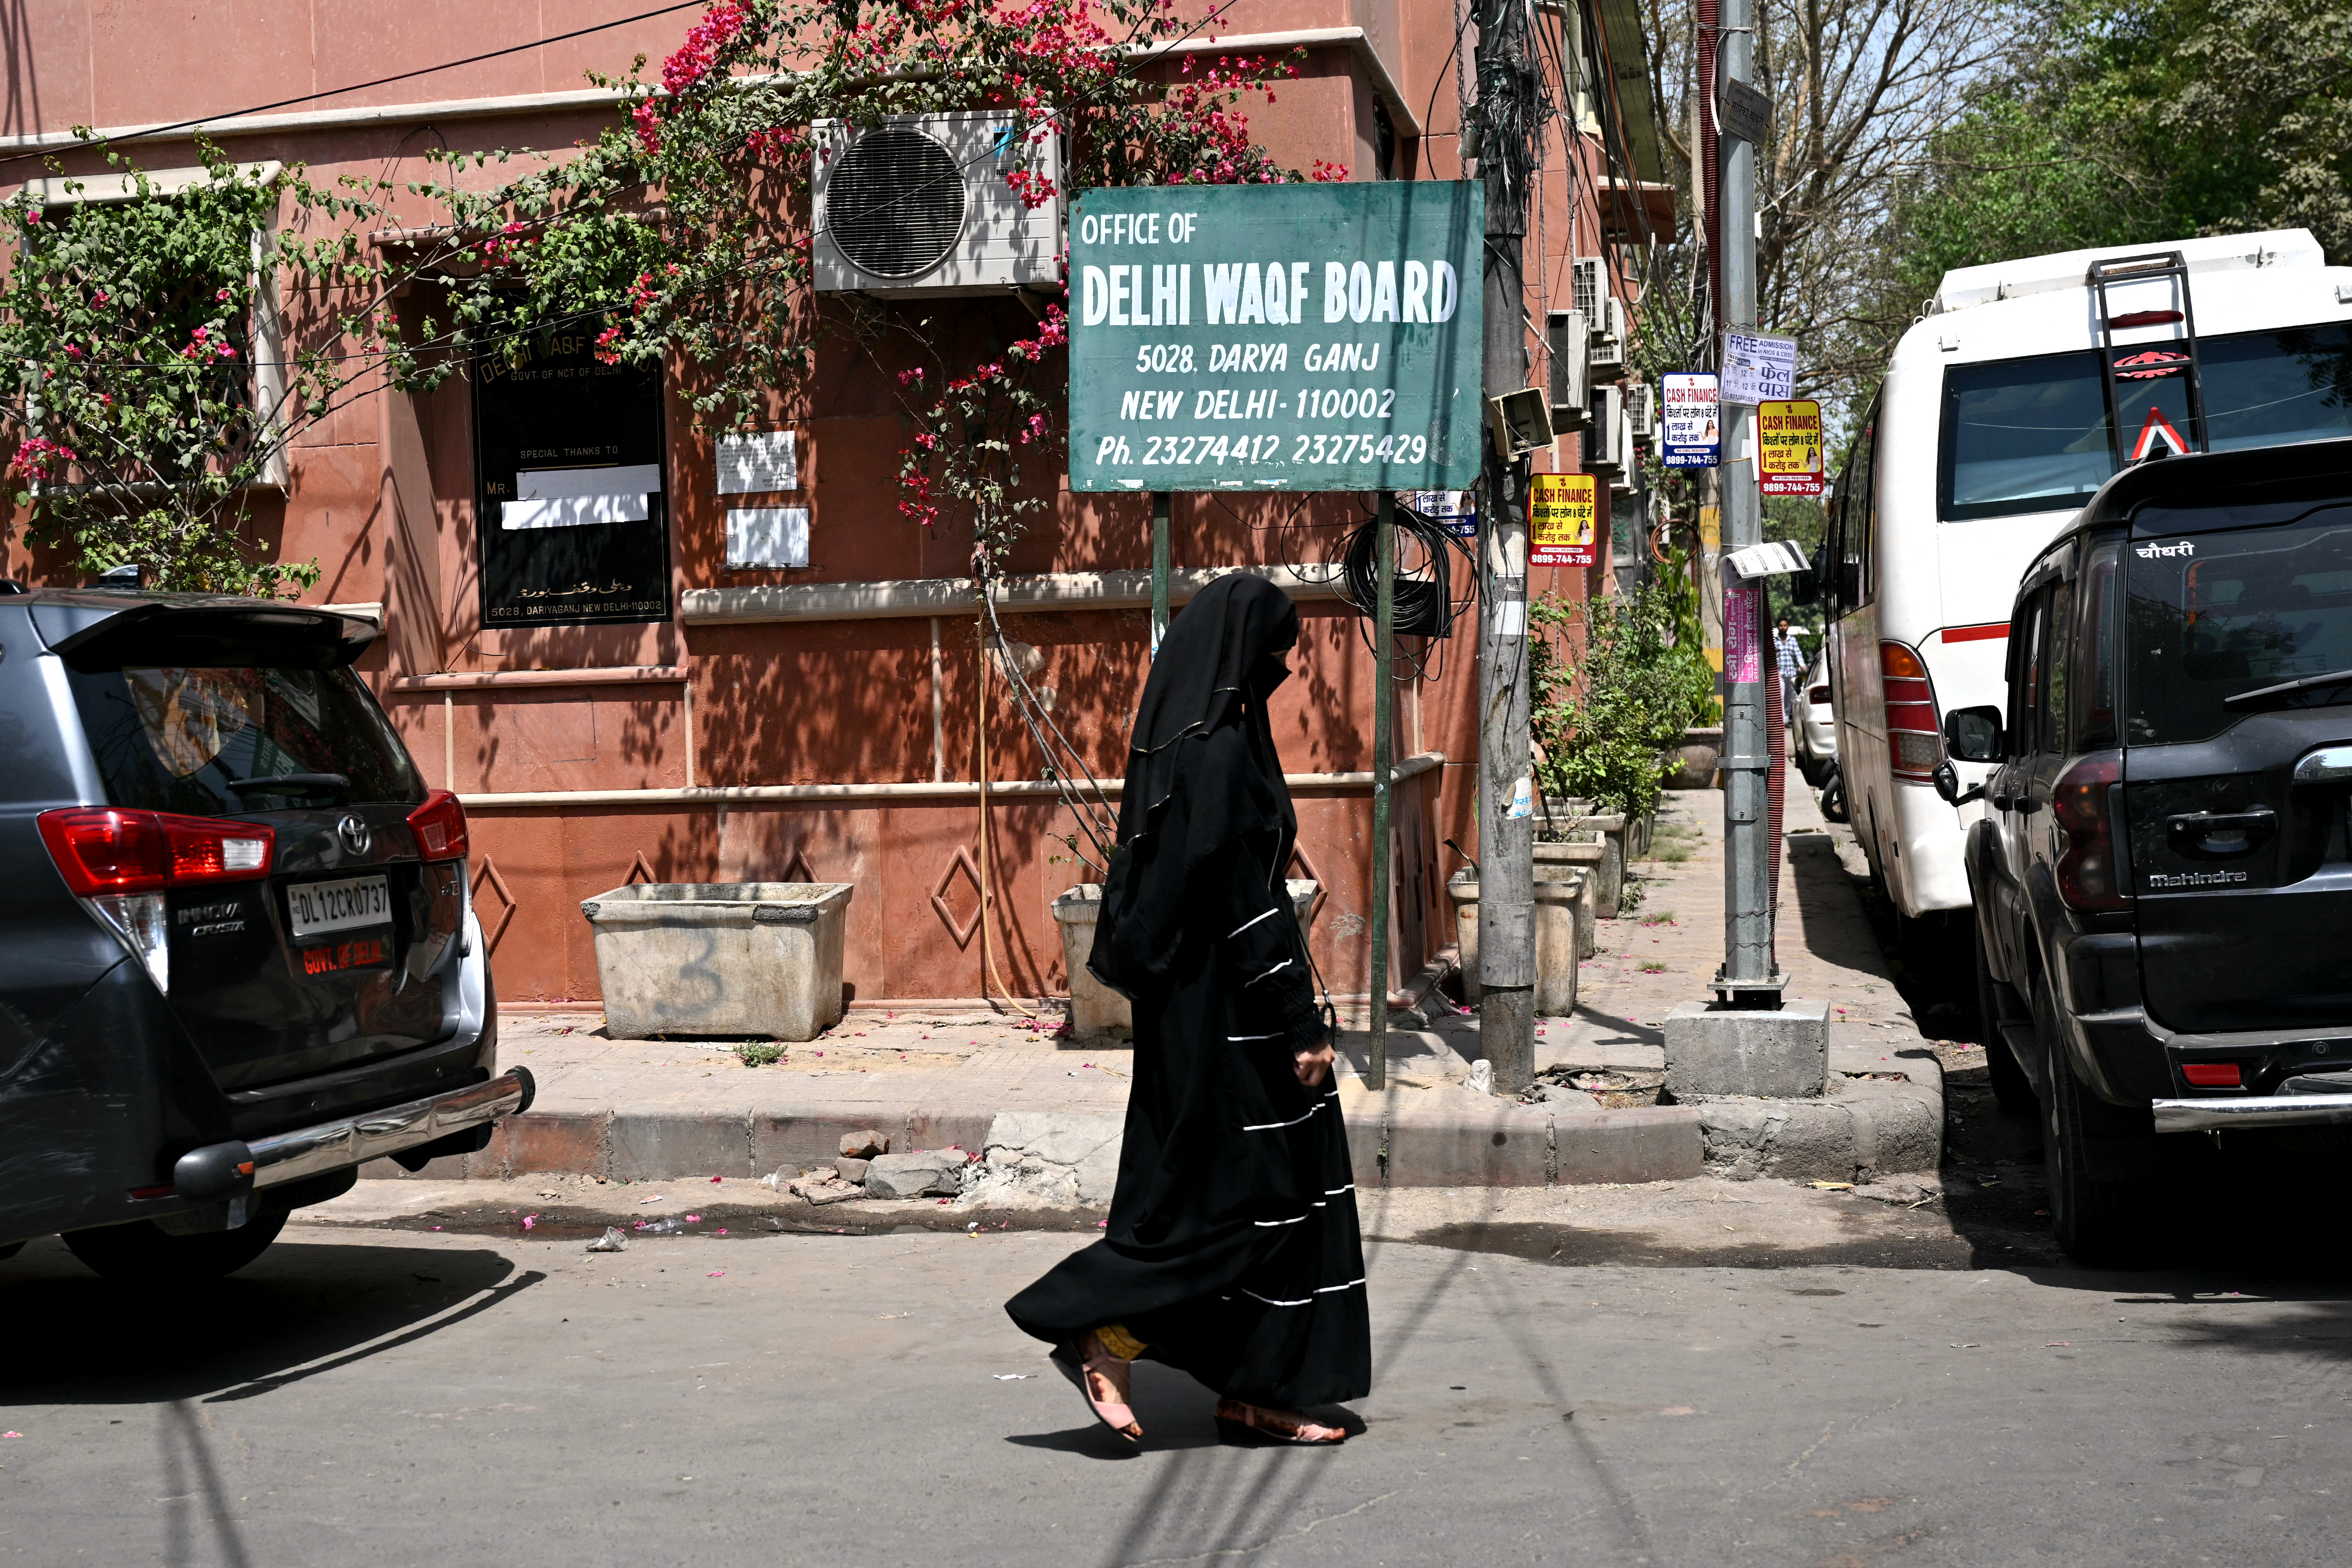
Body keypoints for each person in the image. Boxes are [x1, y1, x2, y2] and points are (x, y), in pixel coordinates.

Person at [1005, 574, 1369, 1448]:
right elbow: (1248, 905)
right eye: (1277, 647)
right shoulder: (1216, 756)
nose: (1283, 663)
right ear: (1240, 652)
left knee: (1228, 1193)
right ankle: (1102, 1325)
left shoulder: (1187, 743)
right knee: (1264, 1198)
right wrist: (1299, 1024)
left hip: (1196, 1014)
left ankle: (1252, 1392)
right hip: (1233, 1018)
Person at [1774, 616, 1807, 726]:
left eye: (1785, 625)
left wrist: (1802, 665)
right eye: (1781, 626)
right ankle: (1781, 720)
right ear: (1778, 627)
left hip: (1791, 674)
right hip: (1780, 674)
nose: (1783, 628)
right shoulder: (1775, 642)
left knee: (1790, 698)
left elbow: (1798, 654)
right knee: (1780, 697)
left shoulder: (1792, 641)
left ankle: (1786, 720)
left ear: (1788, 626)